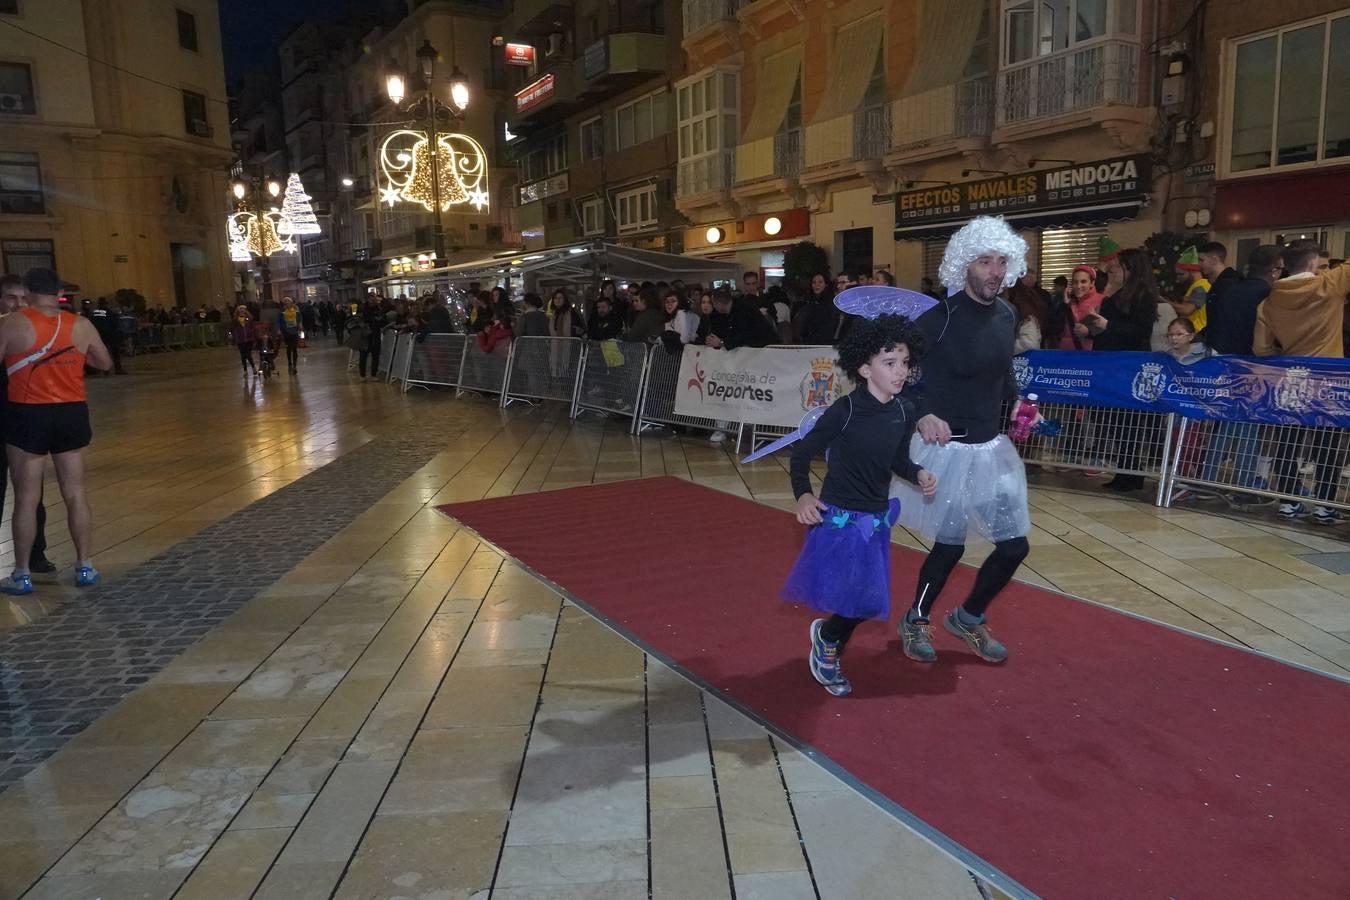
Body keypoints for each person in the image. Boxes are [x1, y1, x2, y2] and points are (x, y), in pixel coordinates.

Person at [890, 217, 1033, 665]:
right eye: (984, 260)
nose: (994, 271)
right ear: (963, 265)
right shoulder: (937, 320)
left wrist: (1017, 403)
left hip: (992, 450)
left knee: (1015, 544)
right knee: (950, 545)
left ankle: (968, 617)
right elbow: (901, 378)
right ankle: (915, 620)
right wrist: (922, 412)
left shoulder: (1007, 314)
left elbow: (1002, 370)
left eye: (1001, 262)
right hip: (947, 451)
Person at [786, 315, 937, 696]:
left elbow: (897, 460)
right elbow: (802, 454)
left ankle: (828, 635)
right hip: (838, 519)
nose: (900, 371)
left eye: (904, 362)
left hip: (875, 519)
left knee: (867, 600)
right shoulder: (846, 410)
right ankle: (830, 645)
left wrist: (917, 472)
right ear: (865, 368)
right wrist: (804, 494)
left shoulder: (904, 412)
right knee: (856, 595)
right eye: (890, 363)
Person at [0, 268, 112, 594]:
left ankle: (21, 574)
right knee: (75, 492)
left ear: (30, 292)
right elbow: (103, 362)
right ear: (59, 292)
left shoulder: (12, 324)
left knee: (26, 497)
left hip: (27, 413)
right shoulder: (81, 324)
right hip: (71, 412)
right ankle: (85, 566)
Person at [1255, 239, 1350, 522]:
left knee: (1288, 440)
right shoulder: (1328, 285)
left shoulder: (1270, 300)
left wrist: (1287, 353)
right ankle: (1324, 505)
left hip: (1291, 377)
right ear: (1312, 263)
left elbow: (1261, 348)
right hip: (1327, 378)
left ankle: (1288, 500)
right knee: (1328, 444)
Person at [1083, 248, 1161, 492]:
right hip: (1111, 361)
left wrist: (1109, 325)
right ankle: (1126, 469)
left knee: (1127, 421)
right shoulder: (1117, 296)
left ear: (1129, 268)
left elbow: (1141, 331)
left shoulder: (1143, 296)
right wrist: (1091, 328)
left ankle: (1131, 471)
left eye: (1117, 266)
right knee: (1114, 420)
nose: (1112, 270)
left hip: (1129, 365)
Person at [0, 275, 54, 576]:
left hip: (25, 422)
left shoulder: (34, 334)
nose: (18, 304)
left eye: (24, 299)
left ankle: (36, 554)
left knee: (31, 493)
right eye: (11, 298)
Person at [1061, 265, 1103, 351]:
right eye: (1075, 282)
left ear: (1092, 283)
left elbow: (1108, 332)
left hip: (1091, 356)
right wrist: (1065, 304)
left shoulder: (1103, 301)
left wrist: (1088, 332)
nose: (1079, 286)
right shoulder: (1068, 301)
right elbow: (1056, 328)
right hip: (1066, 355)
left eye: (1083, 281)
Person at [796, 273, 839, 344]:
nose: (817, 285)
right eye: (814, 282)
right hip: (810, 343)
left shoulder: (830, 302)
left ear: (826, 284)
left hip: (825, 344)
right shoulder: (811, 301)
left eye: (820, 282)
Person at [230, 304, 257, 376]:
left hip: (249, 339)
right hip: (240, 340)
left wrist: (252, 334)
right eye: (240, 309)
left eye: (243, 309)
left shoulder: (249, 318)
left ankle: (253, 367)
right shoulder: (235, 320)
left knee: (248, 354)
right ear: (238, 311)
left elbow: (253, 327)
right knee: (242, 355)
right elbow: (233, 329)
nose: (242, 310)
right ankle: (245, 370)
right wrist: (235, 337)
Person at [278, 296, 301, 375]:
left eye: (288, 302)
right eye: (285, 302)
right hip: (286, 332)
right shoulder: (282, 312)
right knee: (288, 348)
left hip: (294, 331)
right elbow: (279, 321)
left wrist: (300, 325)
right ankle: (289, 362)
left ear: (291, 303)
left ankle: (294, 365)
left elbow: (300, 318)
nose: (287, 303)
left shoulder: (296, 311)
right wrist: (279, 330)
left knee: (294, 348)